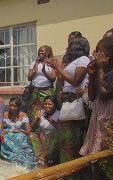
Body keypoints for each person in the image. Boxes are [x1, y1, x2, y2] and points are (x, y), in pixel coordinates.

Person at [47, 37, 90, 178]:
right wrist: (57, 67)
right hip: (68, 105)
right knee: (65, 141)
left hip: (76, 107)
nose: (67, 49)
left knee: (72, 142)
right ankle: (67, 173)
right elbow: (65, 80)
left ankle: (72, 174)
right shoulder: (74, 62)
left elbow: (76, 81)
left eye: (70, 46)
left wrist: (58, 68)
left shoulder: (84, 59)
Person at [79, 36, 113, 178]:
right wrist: (92, 76)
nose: (96, 57)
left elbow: (105, 93)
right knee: (96, 160)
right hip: (98, 116)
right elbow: (93, 97)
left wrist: (100, 69)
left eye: (100, 54)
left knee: (106, 158)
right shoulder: (103, 71)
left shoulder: (106, 72)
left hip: (108, 118)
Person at [0, 97, 37, 169]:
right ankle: (9, 160)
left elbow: (28, 131)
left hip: (20, 135)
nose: (12, 108)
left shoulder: (23, 115)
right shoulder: (5, 114)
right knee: (3, 138)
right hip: (8, 135)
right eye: (10, 105)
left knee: (20, 138)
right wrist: (3, 130)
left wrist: (20, 130)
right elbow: (1, 127)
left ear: (19, 107)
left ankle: (22, 162)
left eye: (14, 106)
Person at [27, 45, 56, 125]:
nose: (40, 52)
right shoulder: (34, 63)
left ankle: (47, 128)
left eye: (42, 51)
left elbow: (53, 79)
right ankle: (35, 129)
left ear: (48, 52)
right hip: (35, 91)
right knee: (33, 110)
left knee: (47, 110)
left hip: (47, 91)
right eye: (39, 51)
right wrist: (35, 71)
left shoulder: (51, 63)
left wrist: (44, 72)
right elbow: (29, 78)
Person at [30, 96, 60, 168]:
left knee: (52, 134)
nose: (47, 106)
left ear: (55, 105)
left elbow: (60, 128)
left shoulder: (59, 113)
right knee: (32, 136)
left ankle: (42, 157)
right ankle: (40, 157)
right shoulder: (40, 112)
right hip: (42, 135)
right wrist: (38, 118)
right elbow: (33, 127)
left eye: (50, 104)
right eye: (45, 104)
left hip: (54, 136)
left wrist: (47, 118)